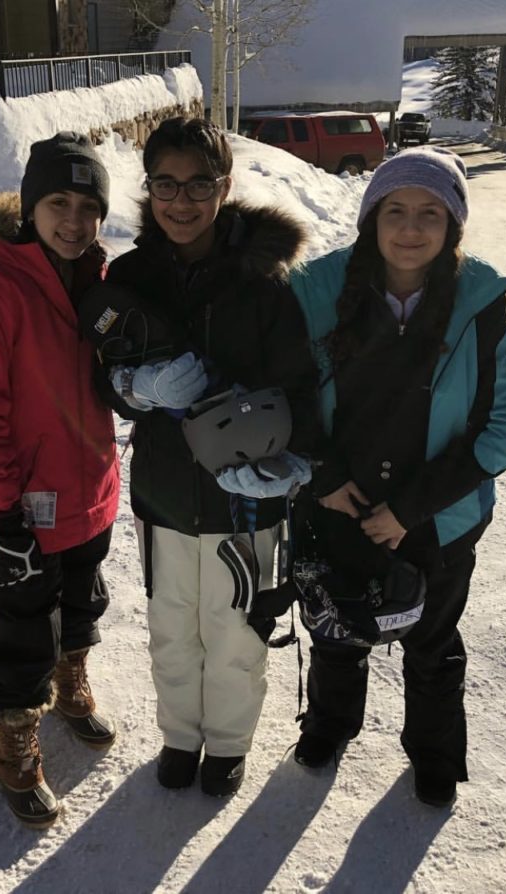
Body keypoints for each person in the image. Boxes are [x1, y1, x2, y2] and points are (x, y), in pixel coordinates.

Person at [288, 146, 506, 808]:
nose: (411, 229)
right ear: (371, 218)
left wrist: (411, 509)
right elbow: (286, 391)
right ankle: (330, 725)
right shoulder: (318, 290)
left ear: (452, 225)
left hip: (437, 516)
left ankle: (435, 753)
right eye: (395, 210)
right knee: (337, 628)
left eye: (431, 213)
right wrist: (324, 476)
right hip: (338, 502)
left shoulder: (477, 304)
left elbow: (499, 427)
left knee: (432, 641)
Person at [96, 116, 319, 797]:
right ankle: (179, 734)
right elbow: (103, 376)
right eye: (166, 183)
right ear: (150, 187)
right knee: (171, 629)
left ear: (224, 188)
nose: (181, 201)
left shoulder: (265, 283)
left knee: (236, 631)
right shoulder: (130, 276)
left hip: (242, 503)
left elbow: (302, 388)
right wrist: (134, 388)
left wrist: (289, 466)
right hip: (162, 494)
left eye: (199, 184)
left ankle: (225, 743)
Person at [0, 133, 120, 827]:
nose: (74, 221)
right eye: (58, 203)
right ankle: (15, 734)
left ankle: (71, 682)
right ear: (31, 206)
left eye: (89, 207)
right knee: (23, 628)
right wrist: (0, 511)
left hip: (91, 491)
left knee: (83, 599)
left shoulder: (100, 280)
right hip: (24, 507)